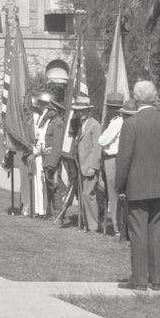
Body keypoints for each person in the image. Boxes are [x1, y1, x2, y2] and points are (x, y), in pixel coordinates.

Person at [114, 80, 160, 291]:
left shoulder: (131, 124)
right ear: (154, 98)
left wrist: (119, 186)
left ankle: (140, 280)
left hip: (137, 186)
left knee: (138, 234)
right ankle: (157, 279)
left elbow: (124, 159)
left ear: (135, 98)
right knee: (156, 232)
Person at [97, 92, 126, 235]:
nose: (107, 109)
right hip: (113, 158)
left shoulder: (116, 122)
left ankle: (116, 227)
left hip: (112, 159)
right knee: (114, 194)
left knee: (113, 195)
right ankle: (117, 225)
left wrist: (105, 144)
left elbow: (102, 141)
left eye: (110, 107)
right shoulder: (118, 121)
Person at [73, 93, 101, 231]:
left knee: (88, 195)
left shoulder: (95, 125)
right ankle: (86, 224)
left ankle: (94, 225)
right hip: (80, 165)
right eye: (79, 111)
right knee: (83, 195)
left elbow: (97, 148)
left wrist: (93, 167)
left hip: (89, 166)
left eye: (83, 111)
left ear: (89, 110)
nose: (81, 113)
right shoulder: (80, 125)